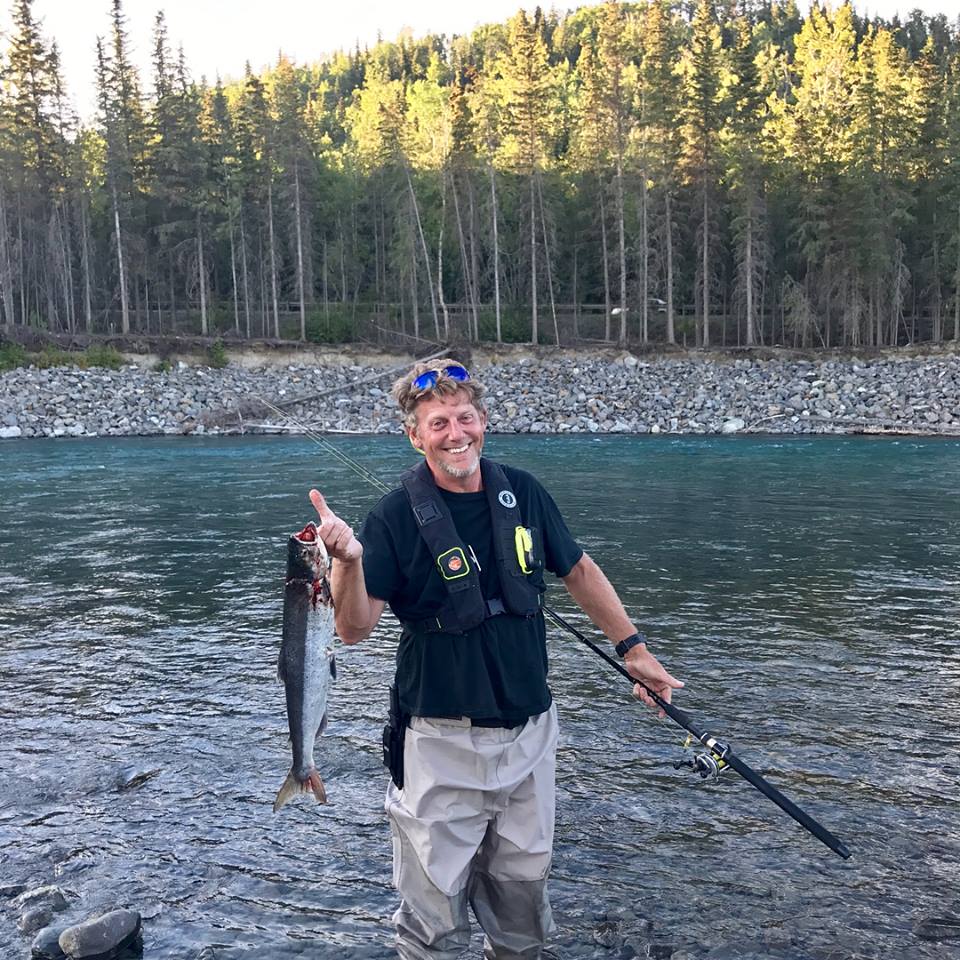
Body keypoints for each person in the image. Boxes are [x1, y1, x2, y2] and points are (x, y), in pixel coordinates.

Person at [308, 358, 682, 960]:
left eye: (464, 418)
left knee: (522, 917)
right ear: (414, 435)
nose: (455, 434)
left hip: (530, 737)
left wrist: (633, 650)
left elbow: (579, 570)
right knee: (430, 925)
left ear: (483, 421)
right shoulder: (394, 518)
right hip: (438, 744)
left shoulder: (524, 492)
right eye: (438, 423)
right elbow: (353, 629)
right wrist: (347, 561)